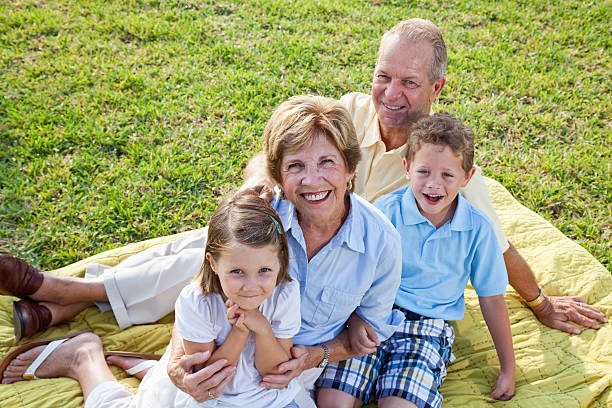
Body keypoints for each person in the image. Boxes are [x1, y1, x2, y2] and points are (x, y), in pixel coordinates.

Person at [0, 16, 606, 401]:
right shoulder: (343, 115)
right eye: (383, 77)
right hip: (275, 246)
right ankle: (68, 293)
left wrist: (544, 302)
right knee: (215, 255)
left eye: (410, 83)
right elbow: (271, 160)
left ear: (435, 89)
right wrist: (257, 192)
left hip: (316, 303)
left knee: (231, 269)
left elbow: (497, 247)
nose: (392, 95)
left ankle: (75, 302)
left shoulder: (437, 174)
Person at [1, 95, 404, 407]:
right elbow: (201, 288)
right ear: (279, 174)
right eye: (296, 166)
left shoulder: (381, 243)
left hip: (282, 371)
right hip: (212, 350)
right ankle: (84, 358)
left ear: (351, 169)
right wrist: (177, 360)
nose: (312, 180)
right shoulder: (264, 214)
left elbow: (362, 339)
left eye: (328, 163)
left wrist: (315, 356)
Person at [317, 113, 515, 408]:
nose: (434, 185)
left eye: (448, 175)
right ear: (407, 169)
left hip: (427, 329)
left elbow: (491, 298)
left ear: (467, 177)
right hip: (374, 316)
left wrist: (508, 369)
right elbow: (357, 272)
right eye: (424, 172)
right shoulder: (385, 211)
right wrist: (356, 318)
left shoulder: (478, 229)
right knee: (333, 402)